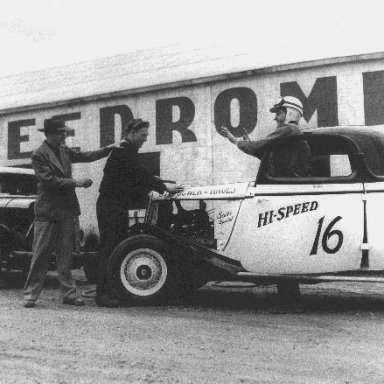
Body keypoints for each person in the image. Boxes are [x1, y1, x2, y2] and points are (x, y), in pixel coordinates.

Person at [23, 118, 122, 308]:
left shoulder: (63, 150)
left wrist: (109, 148)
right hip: (47, 213)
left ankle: (69, 294)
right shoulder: (38, 155)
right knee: (41, 255)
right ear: (50, 134)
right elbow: (48, 180)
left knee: (66, 256)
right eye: (62, 132)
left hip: (66, 211)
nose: (65, 135)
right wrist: (76, 182)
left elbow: (85, 155)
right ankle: (30, 295)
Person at [95, 118, 184, 307]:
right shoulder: (123, 150)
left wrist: (155, 181)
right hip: (110, 205)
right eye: (143, 135)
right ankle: (102, 295)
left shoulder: (128, 151)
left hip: (115, 205)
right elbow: (138, 173)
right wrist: (163, 187)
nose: (145, 139)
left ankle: (113, 291)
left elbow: (134, 176)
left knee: (116, 246)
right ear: (132, 132)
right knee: (110, 248)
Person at [219, 96, 311, 178]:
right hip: (287, 184)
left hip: (285, 185)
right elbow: (265, 153)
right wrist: (248, 142)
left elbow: (260, 146)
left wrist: (235, 141)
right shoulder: (292, 132)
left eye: (278, 114)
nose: (275, 118)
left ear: (290, 114)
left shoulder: (289, 129)